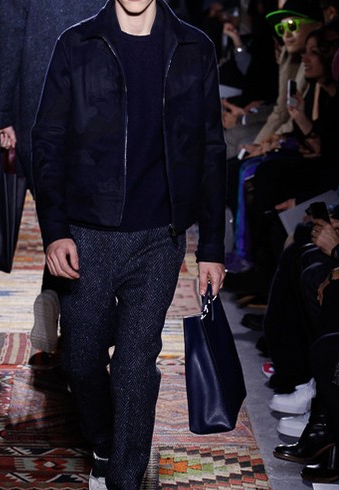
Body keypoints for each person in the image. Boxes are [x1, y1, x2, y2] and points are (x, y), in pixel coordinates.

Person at [32, 0, 227, 488]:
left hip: (160, 237)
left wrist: (212, 247)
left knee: (136, 365)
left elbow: (211, 148)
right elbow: (48, 140)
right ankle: (103, 440)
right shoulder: (77, 44)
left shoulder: (194, 47)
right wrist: (55, 230)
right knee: (80, 361)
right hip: (87, 234)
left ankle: (125, 475)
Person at [0, 0, 106, 363]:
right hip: (99, 95)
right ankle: (72, 317)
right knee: (93, 219)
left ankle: (54, 297)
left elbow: (10, 36)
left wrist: (1, 114)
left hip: (36, 100)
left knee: (56, 212)